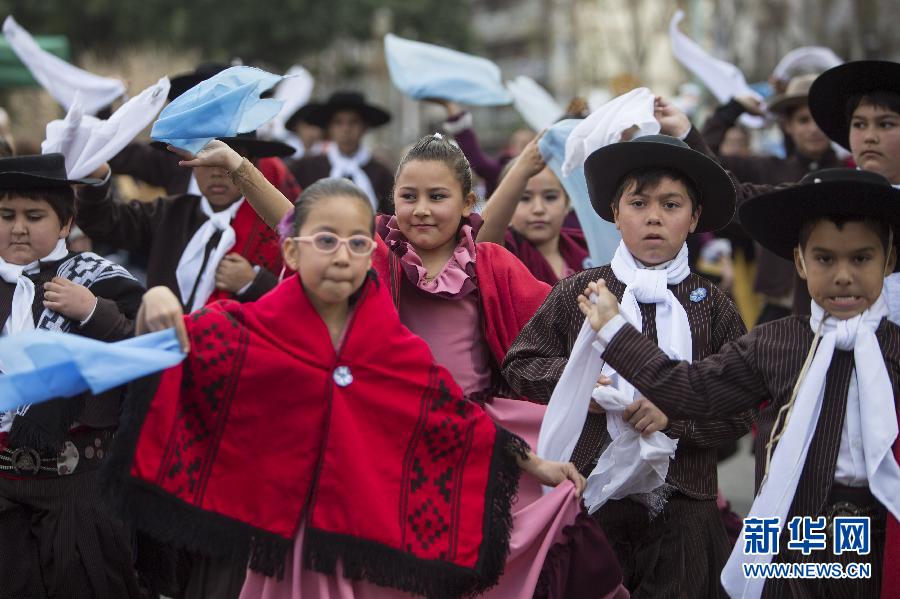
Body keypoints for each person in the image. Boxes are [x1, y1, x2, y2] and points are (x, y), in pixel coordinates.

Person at [175, 136, 629, 598]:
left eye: (438, 197)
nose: (423, 210)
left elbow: (562, 320)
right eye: (409, 197)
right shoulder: (374, 253)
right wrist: (238, 167)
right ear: (392, 199)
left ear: (468, 202)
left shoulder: (492, 264)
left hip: (473, 433)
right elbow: (297, 223)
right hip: (385, 434)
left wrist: (609, 367)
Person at [581, 168, 900, 598]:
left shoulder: (895, 348)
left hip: (883, 533)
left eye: (861, 258)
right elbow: (691, 389)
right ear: (801, 262)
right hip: (793, 537)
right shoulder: (775, 343)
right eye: (825, 258)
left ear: (889, 260)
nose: (843, 275)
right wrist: (618, 335)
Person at [502, 135, 756, 598]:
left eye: (671, 204)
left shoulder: (712, 304)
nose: (654, 217)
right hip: (591, 494)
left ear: (694, 217)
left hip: (687, 504)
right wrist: (582, 387)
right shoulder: (582, 292)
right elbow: (519, 365)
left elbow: (743, 405)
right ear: (615, 214)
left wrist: (674, 416)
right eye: (638, 203)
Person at [0, 153, 145, 599]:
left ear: (66, 225)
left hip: (77, 488)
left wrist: (93, 312)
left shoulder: (100, 281)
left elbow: (144, 357)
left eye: (34, 215)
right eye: (6, 215)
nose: (18, 227)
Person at [74, 134, 292, 313]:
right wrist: (98, 180)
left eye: (226, 163)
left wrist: (254, 283)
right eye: (206, 159)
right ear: (192, 166)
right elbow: (103, 221)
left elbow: (302, 299)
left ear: (249, 167)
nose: (216, 173)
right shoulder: (171, 212)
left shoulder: (273, 227)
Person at [702, 74, 845, 325]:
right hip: (778, 310)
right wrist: (731, 111)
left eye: (820, 120)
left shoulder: (850, 174)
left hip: (841, 310)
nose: (813, 128)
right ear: (787, 125)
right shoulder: (766, 169)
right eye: (803, 120)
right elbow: (705, 162)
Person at [476, 134, 589, 284]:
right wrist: (522, 169)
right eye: (524, 198)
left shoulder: (584, 246)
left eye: (550, 197)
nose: (538, 209)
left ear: (567, 203)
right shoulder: (507, 249)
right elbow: (481, 238)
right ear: (507, 205)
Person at [287, 92, 394, 214]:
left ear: (364, 127)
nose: (346, 129)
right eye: (338, 122)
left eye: (353, 122)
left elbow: (390, 218)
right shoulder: (306, 168)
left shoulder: (381, 172)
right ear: (329, 128)